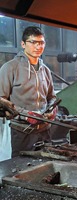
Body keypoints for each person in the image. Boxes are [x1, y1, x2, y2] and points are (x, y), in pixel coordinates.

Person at [0, 26, 57, 157]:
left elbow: (51, 96)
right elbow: (2, 101)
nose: (38, 47)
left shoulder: (45, 70)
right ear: (23, 44)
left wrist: (53, 108)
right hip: (21, 131)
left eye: (41, 43)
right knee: (21, 170)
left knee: (46, 168)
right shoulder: (10, 68)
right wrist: (26, 115)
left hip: (44, 130)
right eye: (33, 42)